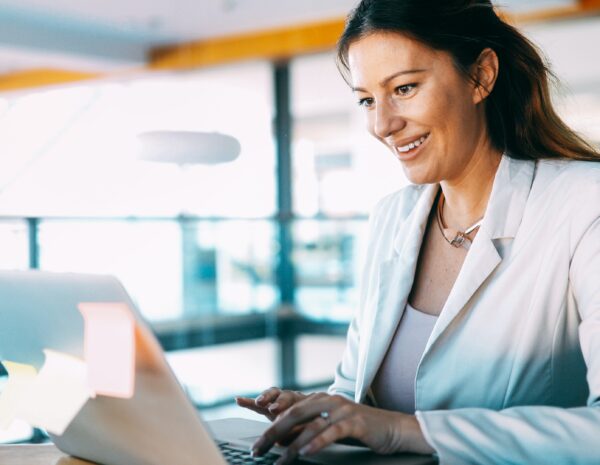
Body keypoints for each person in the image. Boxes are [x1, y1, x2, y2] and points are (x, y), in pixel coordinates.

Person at [236, 0, 600, 463]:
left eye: (404, 88)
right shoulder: (392, 217)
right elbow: (353, 391)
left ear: (481, 76)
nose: (381, 124)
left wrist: (403, 430)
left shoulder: (585, 204)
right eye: (367, 99)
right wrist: (321, 417)